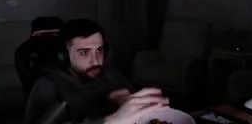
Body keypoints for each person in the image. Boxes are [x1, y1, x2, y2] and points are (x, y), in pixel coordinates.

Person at [24, 19, 169, 124]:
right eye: (84, 53)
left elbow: (132, 104)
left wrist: (126, 101)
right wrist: (112, 121)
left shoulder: (109, 73)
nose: (96, 61)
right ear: (64, 56)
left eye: (99, 50)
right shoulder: (47, 85)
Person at [16, 17, 66, 93]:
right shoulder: (24, 51)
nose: (48, 39)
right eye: (41, 35)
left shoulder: (23, 51)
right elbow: (27, 81)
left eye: (53, 34)